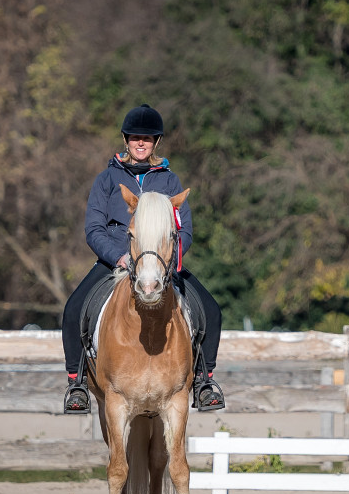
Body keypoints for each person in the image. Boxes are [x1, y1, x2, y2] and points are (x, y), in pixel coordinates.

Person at [59, 104, 225, 415]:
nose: (140, 143)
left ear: (156, 142)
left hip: (160, 264)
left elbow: (184, 230)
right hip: (116, 261)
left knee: (212, 311)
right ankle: (76, 382)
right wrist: (118, 256)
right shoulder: (106, 179)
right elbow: (94, 229)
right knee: (72, 311)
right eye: (135, 137)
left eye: (147, 139)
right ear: (126, 139)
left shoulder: (170, 181)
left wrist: (168, 261)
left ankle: (204, 381)